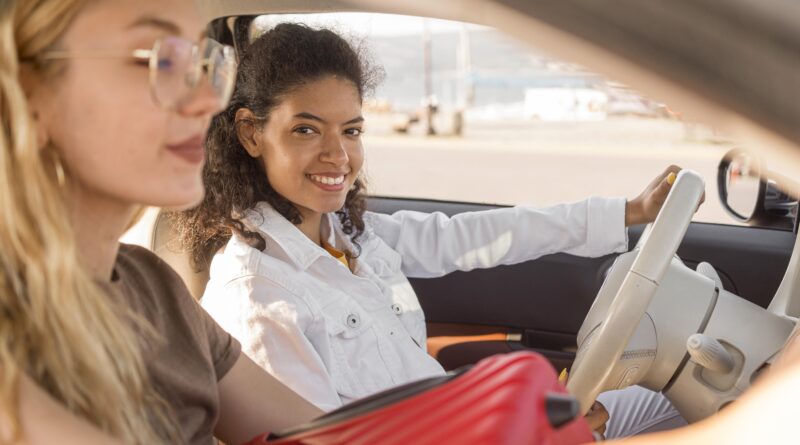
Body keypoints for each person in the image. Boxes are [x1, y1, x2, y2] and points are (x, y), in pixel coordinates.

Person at [176, 23, 688, 438]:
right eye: (306, 130)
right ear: (250, 133)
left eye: (351, 131)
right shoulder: (258, 299)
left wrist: (628, 211)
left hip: (466, 425)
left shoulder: (350, 234)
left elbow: (481, 234)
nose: (338, 155)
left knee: (678, 393)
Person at [0, 2, 322, 444]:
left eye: (203, 61)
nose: (210, 100)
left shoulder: (153, 285)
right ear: (24, 90)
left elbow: (325, 436)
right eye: (158, 58)